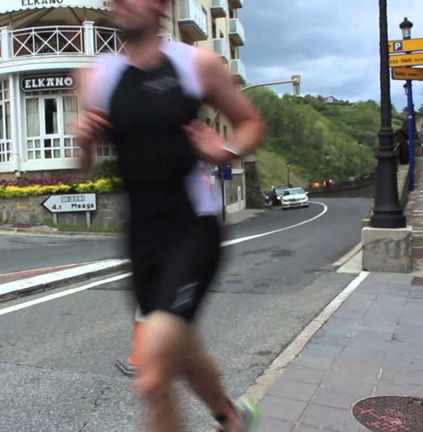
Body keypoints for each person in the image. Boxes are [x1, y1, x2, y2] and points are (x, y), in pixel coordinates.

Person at [74, 0, 263, 430]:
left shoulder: (197, 64)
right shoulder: (95, 77)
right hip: (140, 237)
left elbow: (250, 122)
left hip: (191, 230)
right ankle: (232, 417)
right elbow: (85, 165)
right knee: (181, 349)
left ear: (161, 4)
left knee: (153, 375)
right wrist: (83, 143)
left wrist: (227, 149)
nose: (121, 3)